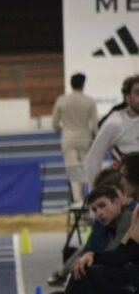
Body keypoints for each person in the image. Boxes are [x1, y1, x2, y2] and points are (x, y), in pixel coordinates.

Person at [52, 73, 98, 203]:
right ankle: (93, 195)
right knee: (89, 167)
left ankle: (77, 200)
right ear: (83, 84)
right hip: (84, 137)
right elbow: (95, 126)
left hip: (68, 137)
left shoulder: (62, 100)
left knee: (72, 169)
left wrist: (64, 128)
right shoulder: (89, 101)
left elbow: (54, 124)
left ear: (71, 84)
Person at [85, 75, 139, 186]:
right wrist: (96, 191)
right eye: (138, 93)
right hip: (127, 188)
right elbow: (93, 158)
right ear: (127, 97)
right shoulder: (115, 123)